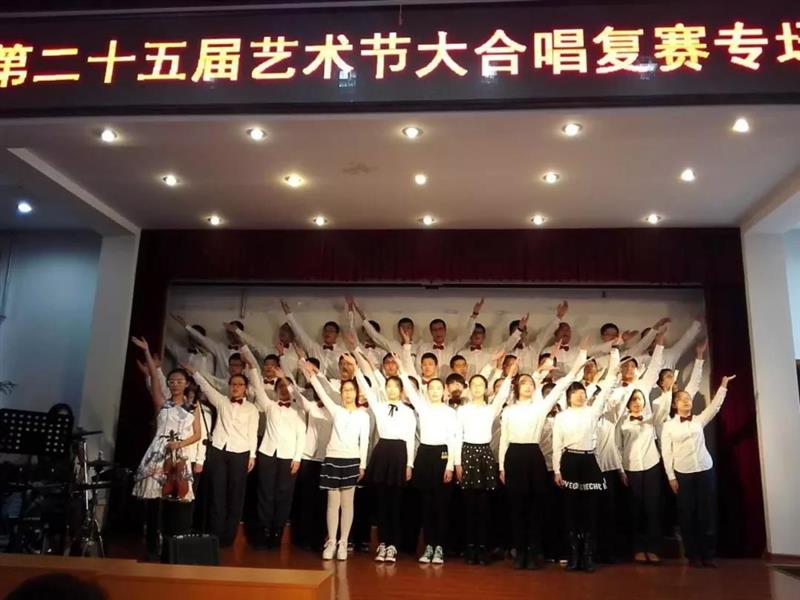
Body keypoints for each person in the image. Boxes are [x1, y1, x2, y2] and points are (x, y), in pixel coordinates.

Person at [499, 343, 588, 570]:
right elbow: (504, 440)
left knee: (535, 506)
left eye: (531, 383)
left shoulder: (540, 407)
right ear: (517, 387)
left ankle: (533, 551)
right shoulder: (509, 410)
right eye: (524, 382)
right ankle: (520, 551)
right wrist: (502, 467)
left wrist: (580, 358)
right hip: (513, 456)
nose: (528, 386)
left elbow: (563, 384)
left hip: (533, 455)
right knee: (517, 507)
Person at [130, 337, 201, 560]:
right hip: (158, 452)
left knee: (175, 501)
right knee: (154, 503)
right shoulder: (162, 403)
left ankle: (172, 548)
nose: (174, 384)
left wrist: (180, 444)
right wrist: (147, 351)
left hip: (178, 454)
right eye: (171, 381)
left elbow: (197, 435)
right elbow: (154, 377)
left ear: (186, 384)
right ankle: (152, 547)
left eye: (179, 381)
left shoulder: (193, 408)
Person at [552, 354, 619, 573]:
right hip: (569, 460)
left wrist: (614, 368)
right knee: (571, 510)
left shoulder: (592, 411)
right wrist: (557, 471)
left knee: (590, 510)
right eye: (575, 393)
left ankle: (588, 555)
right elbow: (556, 445)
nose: (580, 396)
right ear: (568, 397)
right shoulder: (561, 417)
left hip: (589, 460)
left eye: (582, 392)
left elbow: (606, 391)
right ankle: (574, 554)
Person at [661, 374, 735, 568]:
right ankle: (692, 555)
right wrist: (671, 477)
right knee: (687, 515)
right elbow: (666, 453)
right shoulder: (668, 426)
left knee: (707, 513)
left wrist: (723, 385)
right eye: (682, 399)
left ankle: (708, 555)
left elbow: (715, 406)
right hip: (683, 473)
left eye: (689, 398)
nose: (687, 401)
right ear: (675, 404)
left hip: (705, 470)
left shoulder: (698, 420)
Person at [182, 361, 259, 547]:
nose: (236, 387)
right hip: (219, 450)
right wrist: (194, 372)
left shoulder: (252, 409)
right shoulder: (222, 401)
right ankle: (215, 534)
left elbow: (252, 433)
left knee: (235, 495)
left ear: (246, 388)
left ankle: (228, 536)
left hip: (240, 452)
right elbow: (206, 387)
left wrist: (252, 455)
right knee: (217, 493)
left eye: (240, 385)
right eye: (233, 384)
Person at [303, 362, 371, 561]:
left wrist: (362, 465)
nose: (348, 393)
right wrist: (310, 373)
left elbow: (364, 441)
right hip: (333, 458)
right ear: (341, 393)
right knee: (333, 503)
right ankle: (331, 541)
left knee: (348, 504)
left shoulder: (363, 415)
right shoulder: (336, 410)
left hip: (352, 460)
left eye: (351, 390)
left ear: (357, 393)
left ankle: (343, 542)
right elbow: (321, 392)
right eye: (345, 390)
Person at [355, 352, 416, 563]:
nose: (391, 389)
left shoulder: (408, 412)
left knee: (395, 503)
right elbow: (366, 389)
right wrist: (356, 368)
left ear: (401, 390)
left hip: (399, 453)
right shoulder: (379, 406)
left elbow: (410, 439)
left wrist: (409, 464)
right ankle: (382, 542)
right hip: (382, 452)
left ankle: (393, 544)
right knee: (381, 502)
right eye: (388, 386)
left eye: (395, 387)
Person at [243, 344, 306, 549]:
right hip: (268, 454)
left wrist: (297, 458)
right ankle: (264, 529)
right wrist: (251, 364)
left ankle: (278, 529)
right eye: (280, 388)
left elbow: (301, 435)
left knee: (284, 494)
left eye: (286, 388)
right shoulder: (270, 406)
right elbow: (258, 386)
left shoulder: (298, 409)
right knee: (265, 493)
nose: (284, 391)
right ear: (276, 391)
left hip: (288, 457)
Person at [454, 358, 514, 566]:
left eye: (481, 384)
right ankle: (470, 547)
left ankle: (482, 547)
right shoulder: (462, 410)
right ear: (469, 388)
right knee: (468, 505)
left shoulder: (490, 408)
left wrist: (509, 376)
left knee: (484, 505)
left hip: (485, 454)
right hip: (467, 453)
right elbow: (457, 436)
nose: (478, 388)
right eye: (474, 384)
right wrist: (457, 463)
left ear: (486, 388)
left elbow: (502, 395)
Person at [397, 365, 460, 565]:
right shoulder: (422, 407)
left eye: (438, 388)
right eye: (431, 388)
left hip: (442, 454)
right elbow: (409, 390)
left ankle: (440, 546)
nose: (434, 391)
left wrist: (450, 466)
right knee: (426, 504)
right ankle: (429, 545)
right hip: (424, 454)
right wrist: (401, 369)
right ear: (427, 391)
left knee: (441, 505)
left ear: (444, 391)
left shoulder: (450, 412)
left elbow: (454, 439)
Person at [616, 386, 672, 564]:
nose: (636, 402)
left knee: (653, 509)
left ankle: (654, 549)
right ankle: (638, 548)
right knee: (635, 510)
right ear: (627, 403)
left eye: (639, 398)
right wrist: (621, 470)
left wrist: (668, 392)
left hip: (651, 465)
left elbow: (664, 410)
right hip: (631, 468)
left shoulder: (651, 419)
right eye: (633, 399)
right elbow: (618, 447)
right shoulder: (621, 422)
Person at [281, 299, 346, 378]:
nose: (327, 333)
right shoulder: (314, 348)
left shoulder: (342, 353)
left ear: (337, 335)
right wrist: (288, 314)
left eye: (331, 331)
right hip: (314, 382)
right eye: (326, 330)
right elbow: (300, 333)